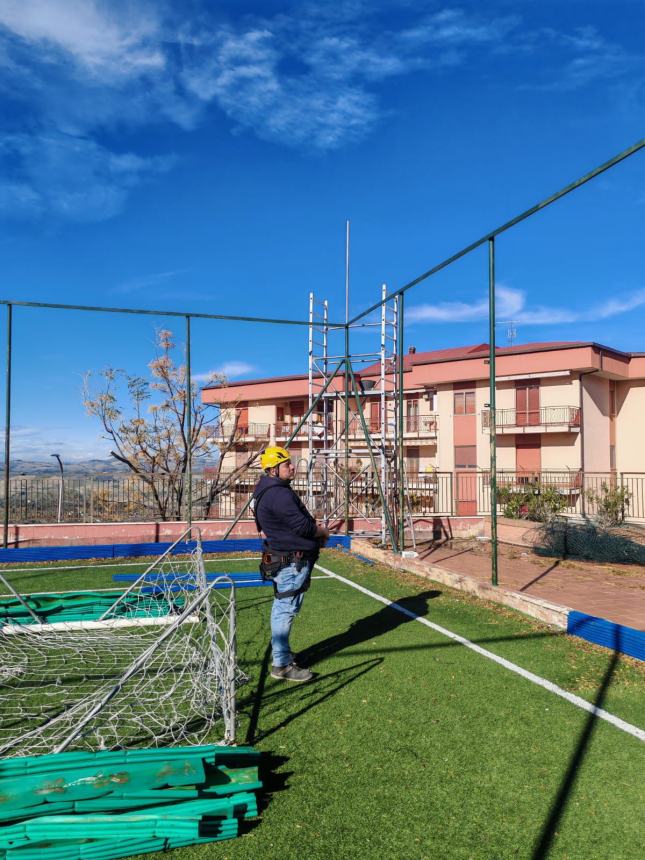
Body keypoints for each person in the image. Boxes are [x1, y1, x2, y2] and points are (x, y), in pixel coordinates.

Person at [251, 446, 330, 682]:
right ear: (274, 470)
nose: (293, 466)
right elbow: (303, 527)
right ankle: (282, 665)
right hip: (291, 561)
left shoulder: (269, 490)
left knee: (283, 608)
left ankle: (282, 654)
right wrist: (321, 532)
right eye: (287, 464)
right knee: (285, 610)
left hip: (285, 557)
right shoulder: (278, 494)